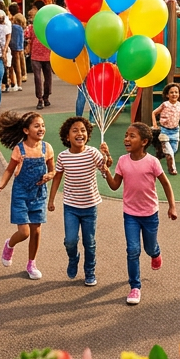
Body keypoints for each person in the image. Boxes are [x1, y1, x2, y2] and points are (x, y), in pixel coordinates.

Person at [103, 123, 178, 305]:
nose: (127, 139)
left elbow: (166, 184)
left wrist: (172, 206)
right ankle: (135, 287)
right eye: (126, 135)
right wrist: (105, 170)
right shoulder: (122, 161)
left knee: (149, 248)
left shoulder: (152, 162)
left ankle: (156, 253)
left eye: (132, 136)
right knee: (133, 250)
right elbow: (114, 186)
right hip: (130, 214)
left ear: (144, 142)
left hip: (150, 214)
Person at [48, 117, 111, 286]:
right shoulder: (63, 157)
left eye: (83, 130)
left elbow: (105, 169)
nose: (79, 133)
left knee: (89, 242)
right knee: (70, 240)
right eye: (75, 130)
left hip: (90, 206)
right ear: (67, 136)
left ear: (87, 134)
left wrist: (106, 155)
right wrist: (51, 199)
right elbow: (57, 177)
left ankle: (90, 271)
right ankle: (73, 258)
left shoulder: (92, 153)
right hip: (71, 206)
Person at [0, 111, 55, 280]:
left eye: (42, 125)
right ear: (26, 130)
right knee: (25, 232)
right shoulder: (19, 149)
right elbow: (9, 169)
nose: (41, 128)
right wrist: (2, 184)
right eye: (36, 126)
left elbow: (53, 170)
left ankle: (31, 263)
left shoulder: (47, 148)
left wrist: (50, 175)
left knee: (36, 231)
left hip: (39, 194)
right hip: (21, 194)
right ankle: (9, 244)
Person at [151, 83, 180, 174]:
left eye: (176, 92)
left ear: (179, 94)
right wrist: (155, 124)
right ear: (167, 95)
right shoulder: (165, 104)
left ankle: (161, 152)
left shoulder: (179, 104)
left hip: (175, 131)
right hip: (164, 131)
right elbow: (154, 113)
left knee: (174, 150)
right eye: (171, 92)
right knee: (170, 152)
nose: (174, 94)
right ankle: (172, 169)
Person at [29, 11, 54, 110]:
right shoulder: (49, 27)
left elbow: (29, 38)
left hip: (36, 54)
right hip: (45, 54)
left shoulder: (33, 27)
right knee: (47, 77)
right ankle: (45, 97)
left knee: (38, 78)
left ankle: (41, 98)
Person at [9, 3, 27, 93]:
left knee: (17, 61)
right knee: (21, 58)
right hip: (21, 39)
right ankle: (24, 74)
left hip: (16, 40)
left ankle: (20, 78)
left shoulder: (15, 18)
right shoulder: (21, 16)